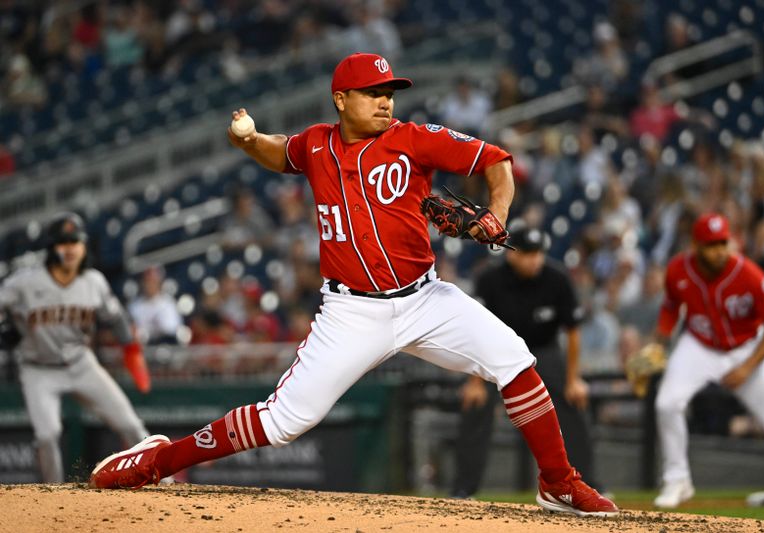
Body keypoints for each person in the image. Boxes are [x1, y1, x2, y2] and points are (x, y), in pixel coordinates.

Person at [88, 52, 617, 517]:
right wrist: (248, 142)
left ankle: (557, 483)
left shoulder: (414, 139)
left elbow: (496, 161)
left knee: (515, 360)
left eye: (389, 93)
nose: (386, 102)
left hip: (425, 299)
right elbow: (282, 152)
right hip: (351, 313)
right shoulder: (317, 145)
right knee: (283, 423)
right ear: (341, 99)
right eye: (373, 93)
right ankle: (158, 459)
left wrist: (498, 214)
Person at [651, 213, 764, 508]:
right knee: (667, 404)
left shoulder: (748, 273)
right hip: (699, 345)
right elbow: (670, 308)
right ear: (696, 245)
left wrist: (748, 367)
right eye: (711, 244)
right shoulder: (678, 269)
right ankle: (677, 480)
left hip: (745, 347)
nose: (720, 250)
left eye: (723, 242)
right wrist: (659, 342)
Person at [0, 213, 153, 482]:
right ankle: (54, 496)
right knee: (47, 435)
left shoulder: (93, 282)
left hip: (82, 364)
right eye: (63, 242)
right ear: (51, 248)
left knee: (131, 424)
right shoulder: (24, 283)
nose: (70, 248)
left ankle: (161, 481)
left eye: (76, 241)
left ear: (84, 246)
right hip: (38, 369)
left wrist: (131, 350)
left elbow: (116, 318)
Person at [452, 225, 602, 498]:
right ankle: (464, 488)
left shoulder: (557, 278)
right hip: (496, 352)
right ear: (512, 254)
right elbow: (476, 330)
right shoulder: (490, 279)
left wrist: (573, 379)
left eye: (538, 253)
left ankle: (586, 483)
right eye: (527, 253)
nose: (535, 259)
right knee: (475, 405)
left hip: (543, 350)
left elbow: (573, 330)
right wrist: (474, 381)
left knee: (572, 406)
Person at [128, 266, 182, 344]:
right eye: (147, 282)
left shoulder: (168, 303)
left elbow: (172, 329)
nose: (150, 285)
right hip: (142, 346)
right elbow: (132, 331)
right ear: (142, 283)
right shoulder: (134, 305)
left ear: (159, 282)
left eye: (153, 282)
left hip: (165, 345)